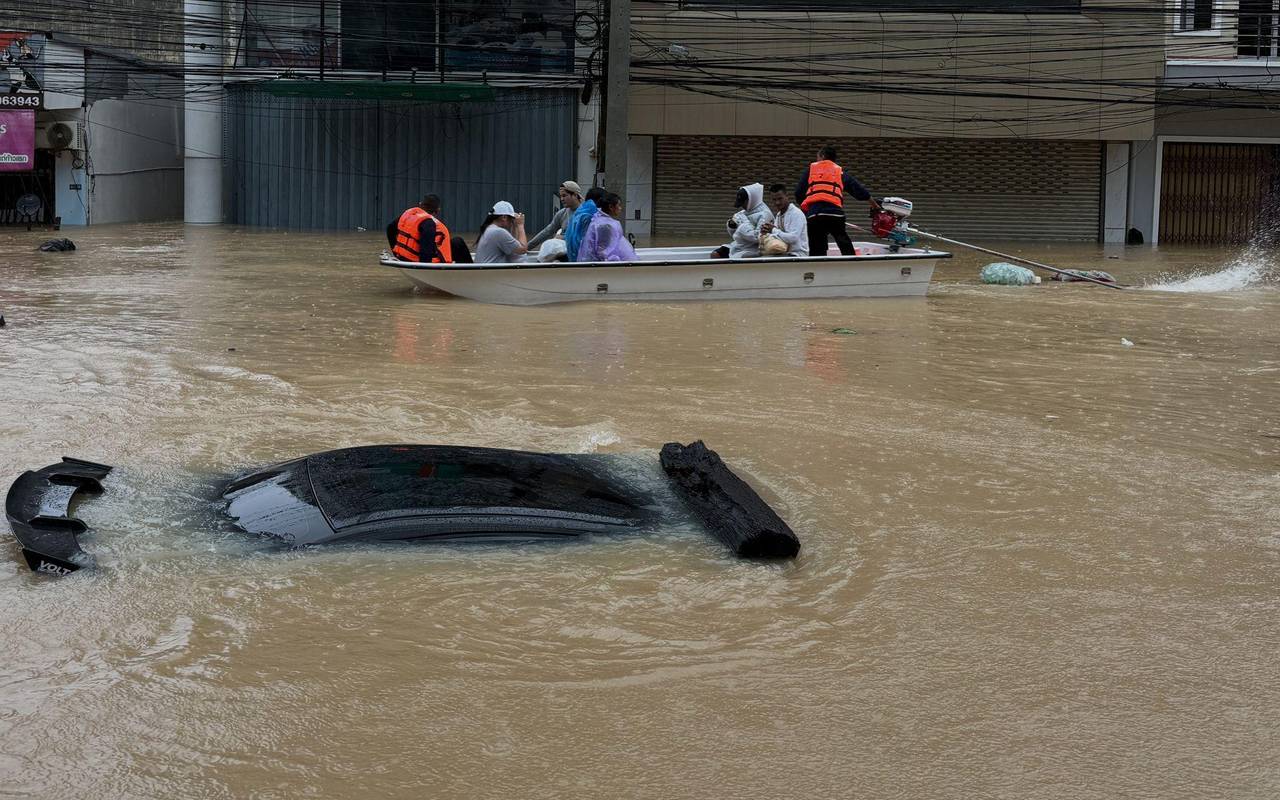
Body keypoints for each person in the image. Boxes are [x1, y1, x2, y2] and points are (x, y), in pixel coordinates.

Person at [796, 144, 879, 257]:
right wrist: (874, 204)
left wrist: (807, 209)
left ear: (822, 156)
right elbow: (858, 189)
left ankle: (818, 269)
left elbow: (798, 192)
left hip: (815, 215)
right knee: (843, 240)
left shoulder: (811, 170)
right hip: (835, 214)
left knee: (816, 246)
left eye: (817, 157)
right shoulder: (838, 172)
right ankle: (852, 265)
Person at [387, 194, 472, 263]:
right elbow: (425, 252)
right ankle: (471, 273)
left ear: (421, 204)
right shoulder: (428, 223)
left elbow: (389, 228)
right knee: (458, 242)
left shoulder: (409, 214)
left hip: (402, 257)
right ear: (437, 210)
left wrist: (395, 251)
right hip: (419, 262)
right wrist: (424, 268)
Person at [710, 183, 771, 259]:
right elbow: (735, 235)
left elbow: (757, 238)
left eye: (743, 203)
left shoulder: (765, 215)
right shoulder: (744, 212)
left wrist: (743, 222)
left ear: (751, 199)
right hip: (740, 245)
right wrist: (732, 225)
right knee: (715, 254)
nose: (742, 206)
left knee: (730, 258)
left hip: (754, 249)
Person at [577, 192, 638, 262]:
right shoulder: (606, 225)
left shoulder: (600, 220)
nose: (620, 208)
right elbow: (604, 253)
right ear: (611, 207)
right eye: (619, 205)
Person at [528, 180, 583, 249]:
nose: (562, 199)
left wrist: (564, 238)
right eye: (561, 196)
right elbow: (547, 231)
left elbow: (587, 236)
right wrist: (527, 247)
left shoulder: (586, 213)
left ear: (575, 195)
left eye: (564, 195)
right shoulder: (562, 213)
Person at [759, 183, 808, 257]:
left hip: (798, 255)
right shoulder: (779, 215)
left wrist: (773, 230)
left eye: (780, 198)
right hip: (784, 254)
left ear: (787, 196)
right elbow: (777, 236)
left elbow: (793, 238)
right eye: (774, 200)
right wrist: (766, 232)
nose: (777, 202)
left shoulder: (796, 213)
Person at [565, 186, 605, 261]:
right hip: (586, 262)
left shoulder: (578, 213)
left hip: (574, 259)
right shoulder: (590, 216)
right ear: (600, 200)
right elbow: (588, 243)